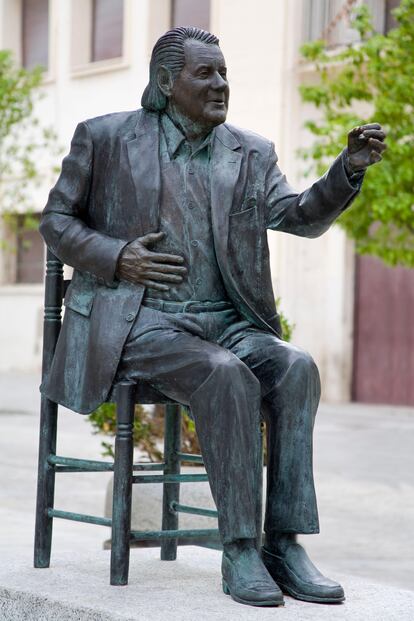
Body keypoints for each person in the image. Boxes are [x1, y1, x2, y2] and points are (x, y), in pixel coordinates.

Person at [39, 27, 386, 607]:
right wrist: (118, 256)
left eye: (224, 72)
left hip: (226, 321)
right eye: (205, 74)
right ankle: (241, 547)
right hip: (140, 321)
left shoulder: (250, 153)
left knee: (296, 367)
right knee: (221, 373)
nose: (221, 84)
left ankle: (284, 542)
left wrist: (346, 170)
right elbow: (55, 221)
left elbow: (299, 216)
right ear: (166, 83)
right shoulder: (105, 139)